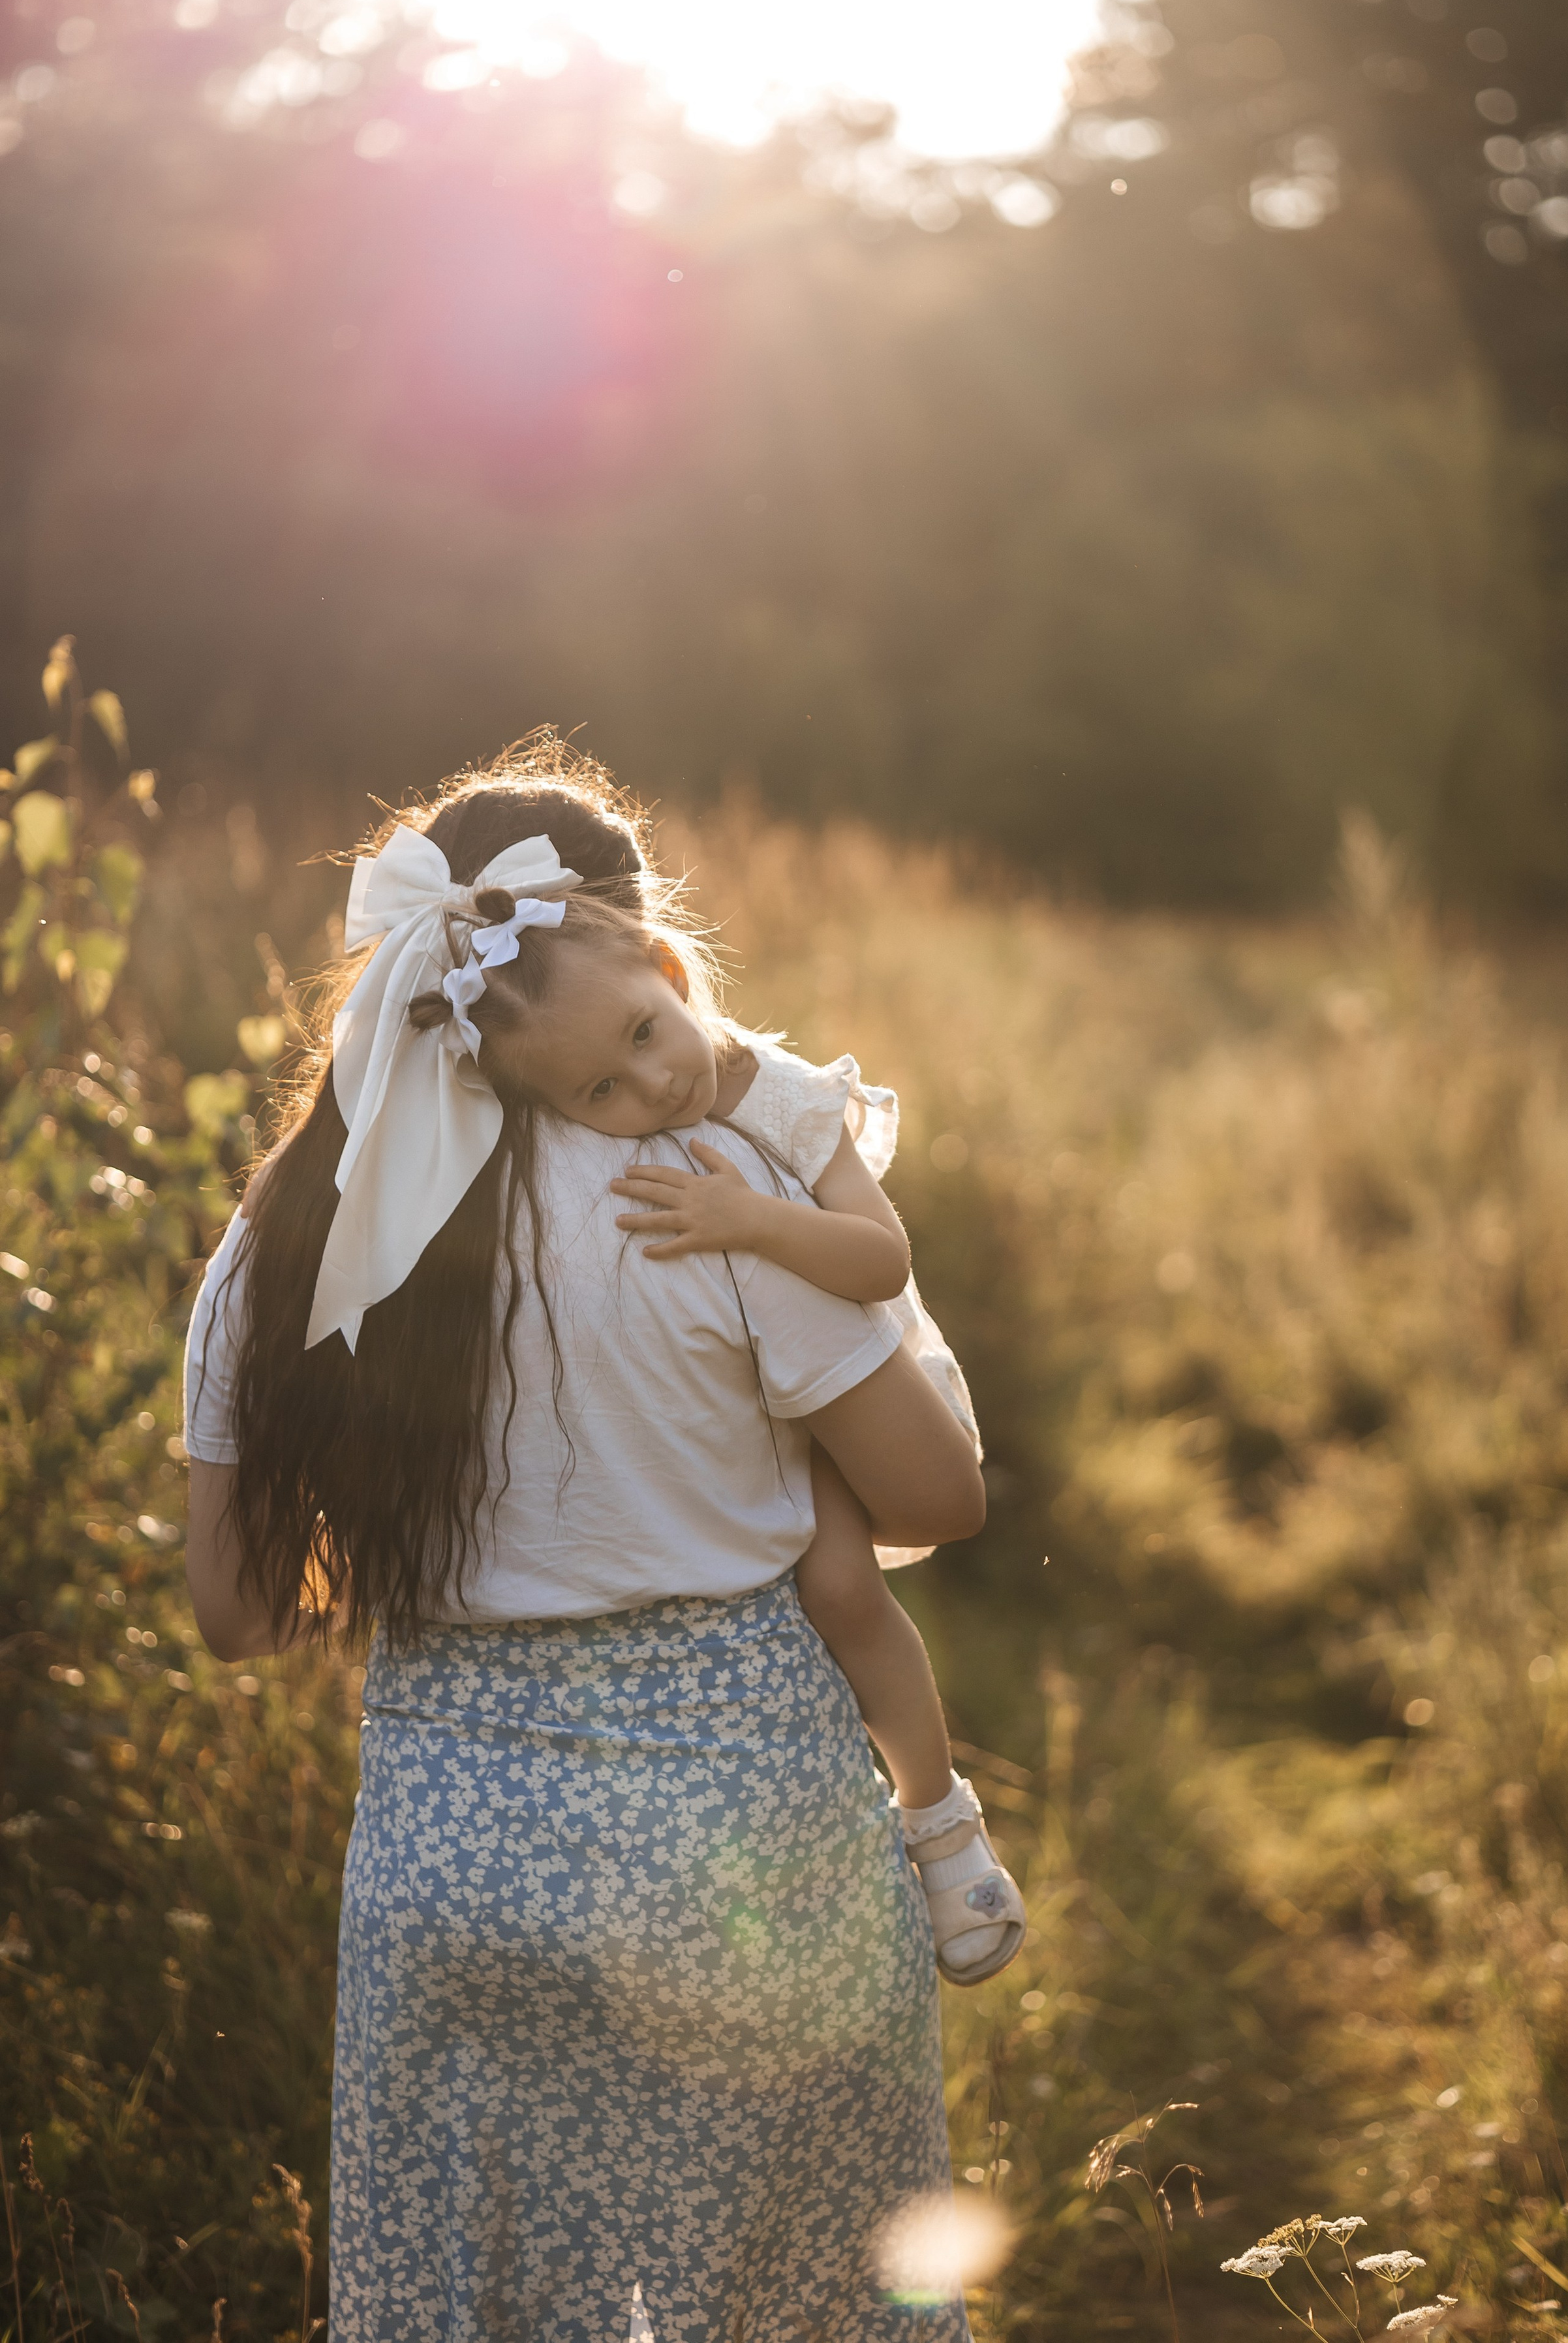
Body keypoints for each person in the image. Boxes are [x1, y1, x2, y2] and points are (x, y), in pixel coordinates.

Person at [183, 743, 995, 2341]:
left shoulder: (289, 1240)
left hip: (453, 1864)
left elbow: (236, 1610)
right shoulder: (701, 1183)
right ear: (637, 939)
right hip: (742, 1856)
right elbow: (936, 1497)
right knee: (805, 2308)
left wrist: (461, 1539)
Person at [453, 887, 1026, 1984]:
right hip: (759, 1403)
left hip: (861, 1377)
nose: (655, 1085)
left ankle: (942, 1825)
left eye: (642, 1034)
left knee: (845, 1596)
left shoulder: (791, 1098)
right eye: (601, 1091)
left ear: (670, 972)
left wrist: (753, 1221)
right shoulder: (621, 1131)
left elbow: (881, 1259)